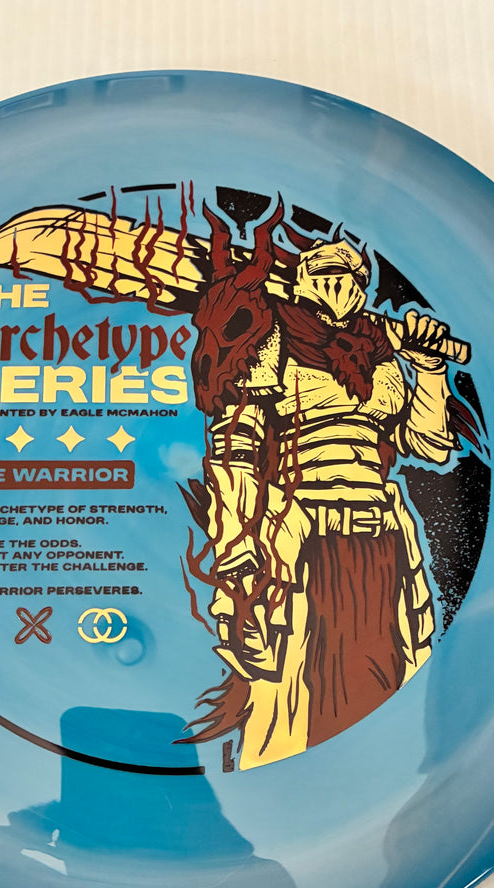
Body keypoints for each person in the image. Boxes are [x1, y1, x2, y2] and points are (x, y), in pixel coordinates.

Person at [182, 203, 459, 770]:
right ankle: (289, 790)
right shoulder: (270, 341)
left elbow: (428, 445)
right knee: (294, 689)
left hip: (382, 538)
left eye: (353, 275)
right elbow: (234, 447)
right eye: (325, 272)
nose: (340, 284)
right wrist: (237, 555)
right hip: (302, 539)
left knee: (388, 677)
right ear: (302, 280)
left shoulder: (380, 357)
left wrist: (430, 369)